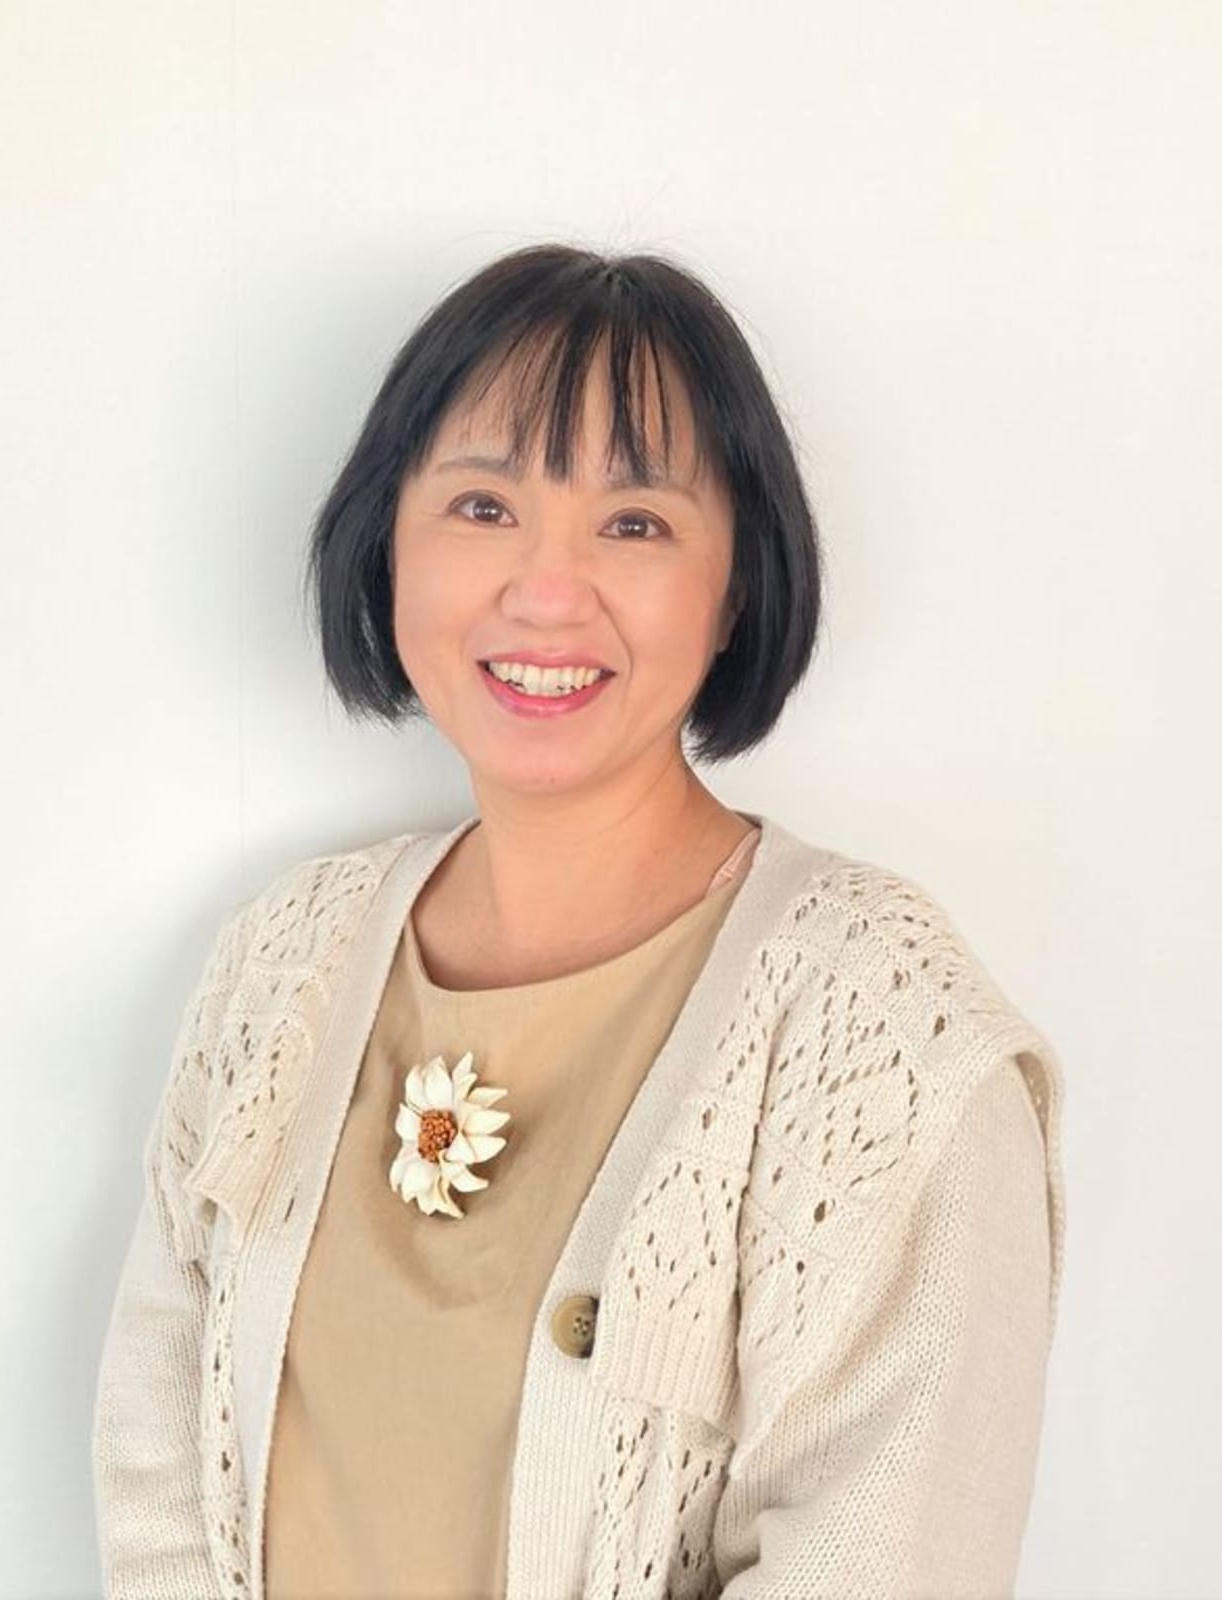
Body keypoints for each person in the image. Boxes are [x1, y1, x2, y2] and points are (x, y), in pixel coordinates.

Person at [92, 244, 1067, 1600]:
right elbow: (155, 1458)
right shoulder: (279, 957)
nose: (546, 591)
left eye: (635, 523)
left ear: (738, 585)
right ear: (387, 545)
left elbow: (888, 1560)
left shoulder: (889, 1041)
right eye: (482, 505)